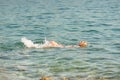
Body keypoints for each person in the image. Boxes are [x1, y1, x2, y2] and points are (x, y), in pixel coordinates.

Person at [21, 37, 88, 48]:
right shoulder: (76, 46)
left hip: (61, 47)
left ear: (82, 45)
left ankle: (33, 46)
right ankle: (34, 46)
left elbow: (68, 47)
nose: (81, 41)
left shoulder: (77, 47)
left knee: (51, 43)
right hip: (61, 46)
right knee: (50, 43)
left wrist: (60, 46)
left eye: (83, 42)